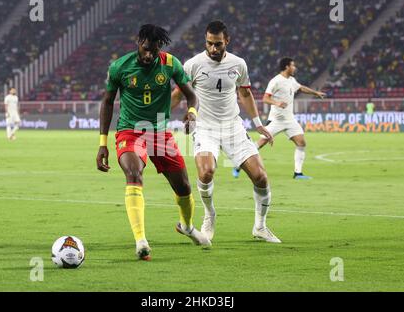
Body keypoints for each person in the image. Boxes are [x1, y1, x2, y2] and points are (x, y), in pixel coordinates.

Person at [96, 24, 211, 261]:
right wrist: (102, 143)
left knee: (184, 188)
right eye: (146, 49)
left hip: (160, 132)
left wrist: (192, 113)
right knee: (134, 173)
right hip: (130, 131)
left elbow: (192, 95)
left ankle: (187, 226)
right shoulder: (120, 67)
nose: (150, 55)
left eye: (154, 50)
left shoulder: (170, 64)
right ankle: (141, 240)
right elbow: (107, 102)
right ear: (138, 42)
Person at [171, 21, 280, 243]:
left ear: (226, 41)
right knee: (206, 172)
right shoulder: (193, 64)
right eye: (209, 44)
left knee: (260, 177)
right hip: (205, 128)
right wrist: (159, 116)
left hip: (233, 127)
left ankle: (260, 227)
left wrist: (258, 124)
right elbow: (178, 94)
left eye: (218, 44)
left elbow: (246, 94)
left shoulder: (238, 64)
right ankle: (209, 216)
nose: (213, 49)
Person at [233, 57, 326, 180]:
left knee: (301, 143)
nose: (295, 68)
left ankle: (298, 173)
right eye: (293, 65)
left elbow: (301, 87)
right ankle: (239, 164)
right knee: (260, 143)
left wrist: (316, 93)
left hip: (289, 120)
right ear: (287, 67)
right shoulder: (275, 81)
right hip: (276, 120)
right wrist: (277, 103)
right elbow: (265, 98)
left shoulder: (291, 80)